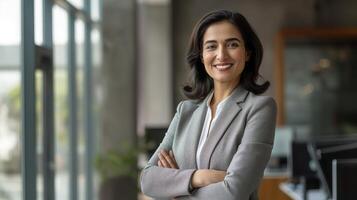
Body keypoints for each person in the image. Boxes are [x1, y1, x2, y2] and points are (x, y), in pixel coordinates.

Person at [140, 9, 277, 200]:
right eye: (211, 46)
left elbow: (234, 192)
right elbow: (148, 180)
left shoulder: (260, 108)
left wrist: (174, 188)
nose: (221, 55)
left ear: (247, 53)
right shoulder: (185, 111)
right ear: (202, 56)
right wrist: (199, 177)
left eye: (232, 44)